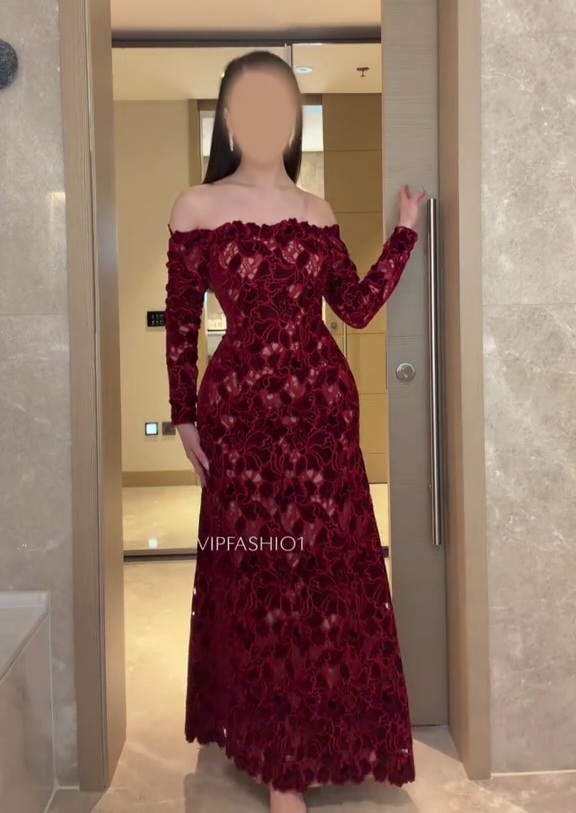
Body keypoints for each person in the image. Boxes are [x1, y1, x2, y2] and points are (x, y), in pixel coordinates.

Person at [164, 49, 426, 813]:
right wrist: (183, 414)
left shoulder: (318, 211)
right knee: (260, 572)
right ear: (227, 117)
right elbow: (182, 323)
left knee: (321, 575)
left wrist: (405, 234)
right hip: (240, 416)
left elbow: (355, 308)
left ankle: (315, 743)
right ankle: (278, 757)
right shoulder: (196, 205)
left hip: (322, 414)